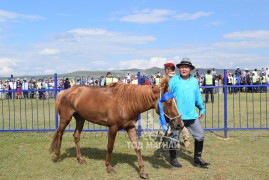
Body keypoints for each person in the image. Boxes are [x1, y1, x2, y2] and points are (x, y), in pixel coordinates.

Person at [168, 58, 209, 168]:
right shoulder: (173, 81)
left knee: (200, 135)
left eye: (186, 67)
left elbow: (197, 97)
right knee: (173, 137)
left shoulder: (194, 81)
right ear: (179, 69)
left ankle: (198, 159)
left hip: (191, 115)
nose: (184, 69)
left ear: (190, 69)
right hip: (177, 116)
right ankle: (173, 158)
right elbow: (167, 97)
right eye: (182, 67)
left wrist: (202, 108)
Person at [163, 62, 191, 150]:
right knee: (179, 121)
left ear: (167, 69)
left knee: (169, 123)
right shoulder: (179, 77)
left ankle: (165, 141)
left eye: (165, 69)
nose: (165, 71)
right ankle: (185, 139)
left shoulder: (167, 79)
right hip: (180, 103)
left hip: (171, 104)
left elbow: (165, 91)